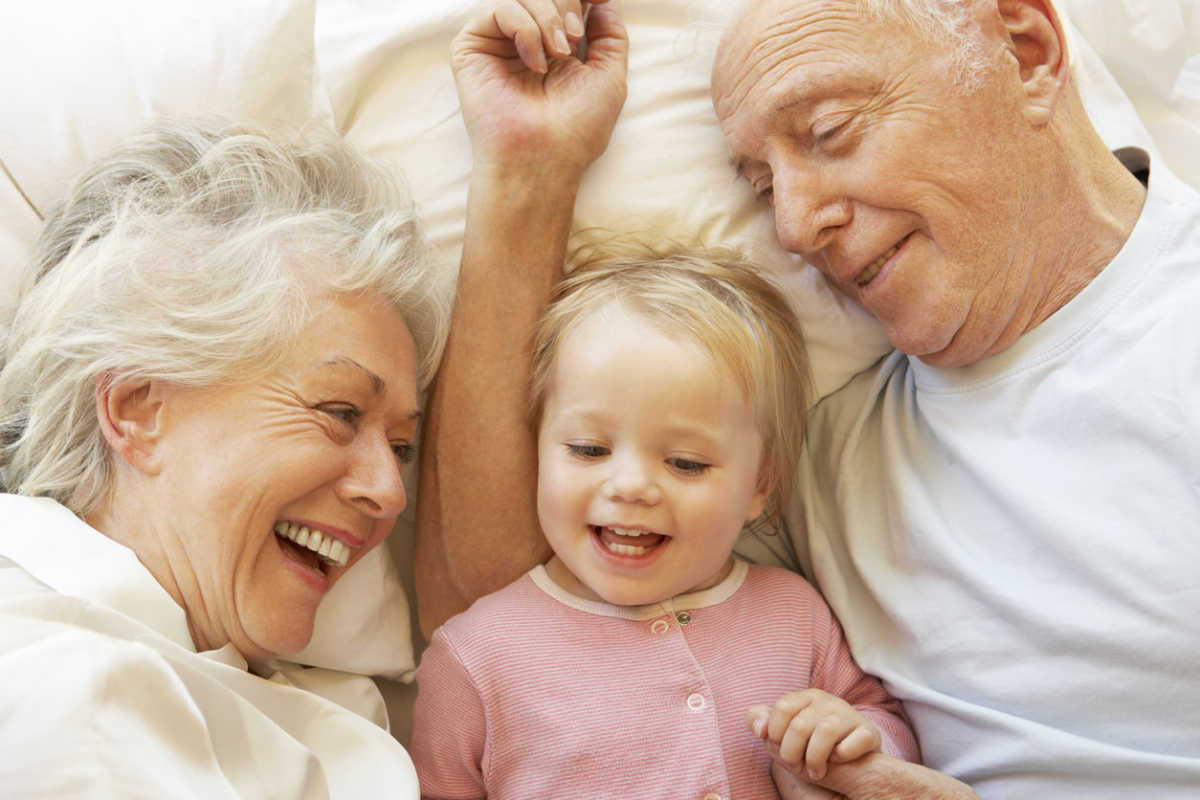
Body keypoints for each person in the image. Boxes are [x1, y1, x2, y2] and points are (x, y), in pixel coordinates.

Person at [418, 0, 1200, 797]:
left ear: (1025, 53)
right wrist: (528, 169)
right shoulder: (820, 454)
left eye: (831, 131)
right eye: (762, 188)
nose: (792, 228)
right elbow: (500, 601)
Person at [0, 118, 450, 797]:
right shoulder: (64, 694)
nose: (391, 492)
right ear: (138, 409)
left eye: (401, 447)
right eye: (340, 412)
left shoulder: (230, 686)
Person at [410, 248, 920, 798]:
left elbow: (890, 737)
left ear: (759, 485)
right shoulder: (476, 655)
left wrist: (854, 736)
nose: (630, 486)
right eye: (588, 449)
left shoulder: (794, 615)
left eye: (685, 463)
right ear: (537, 450)